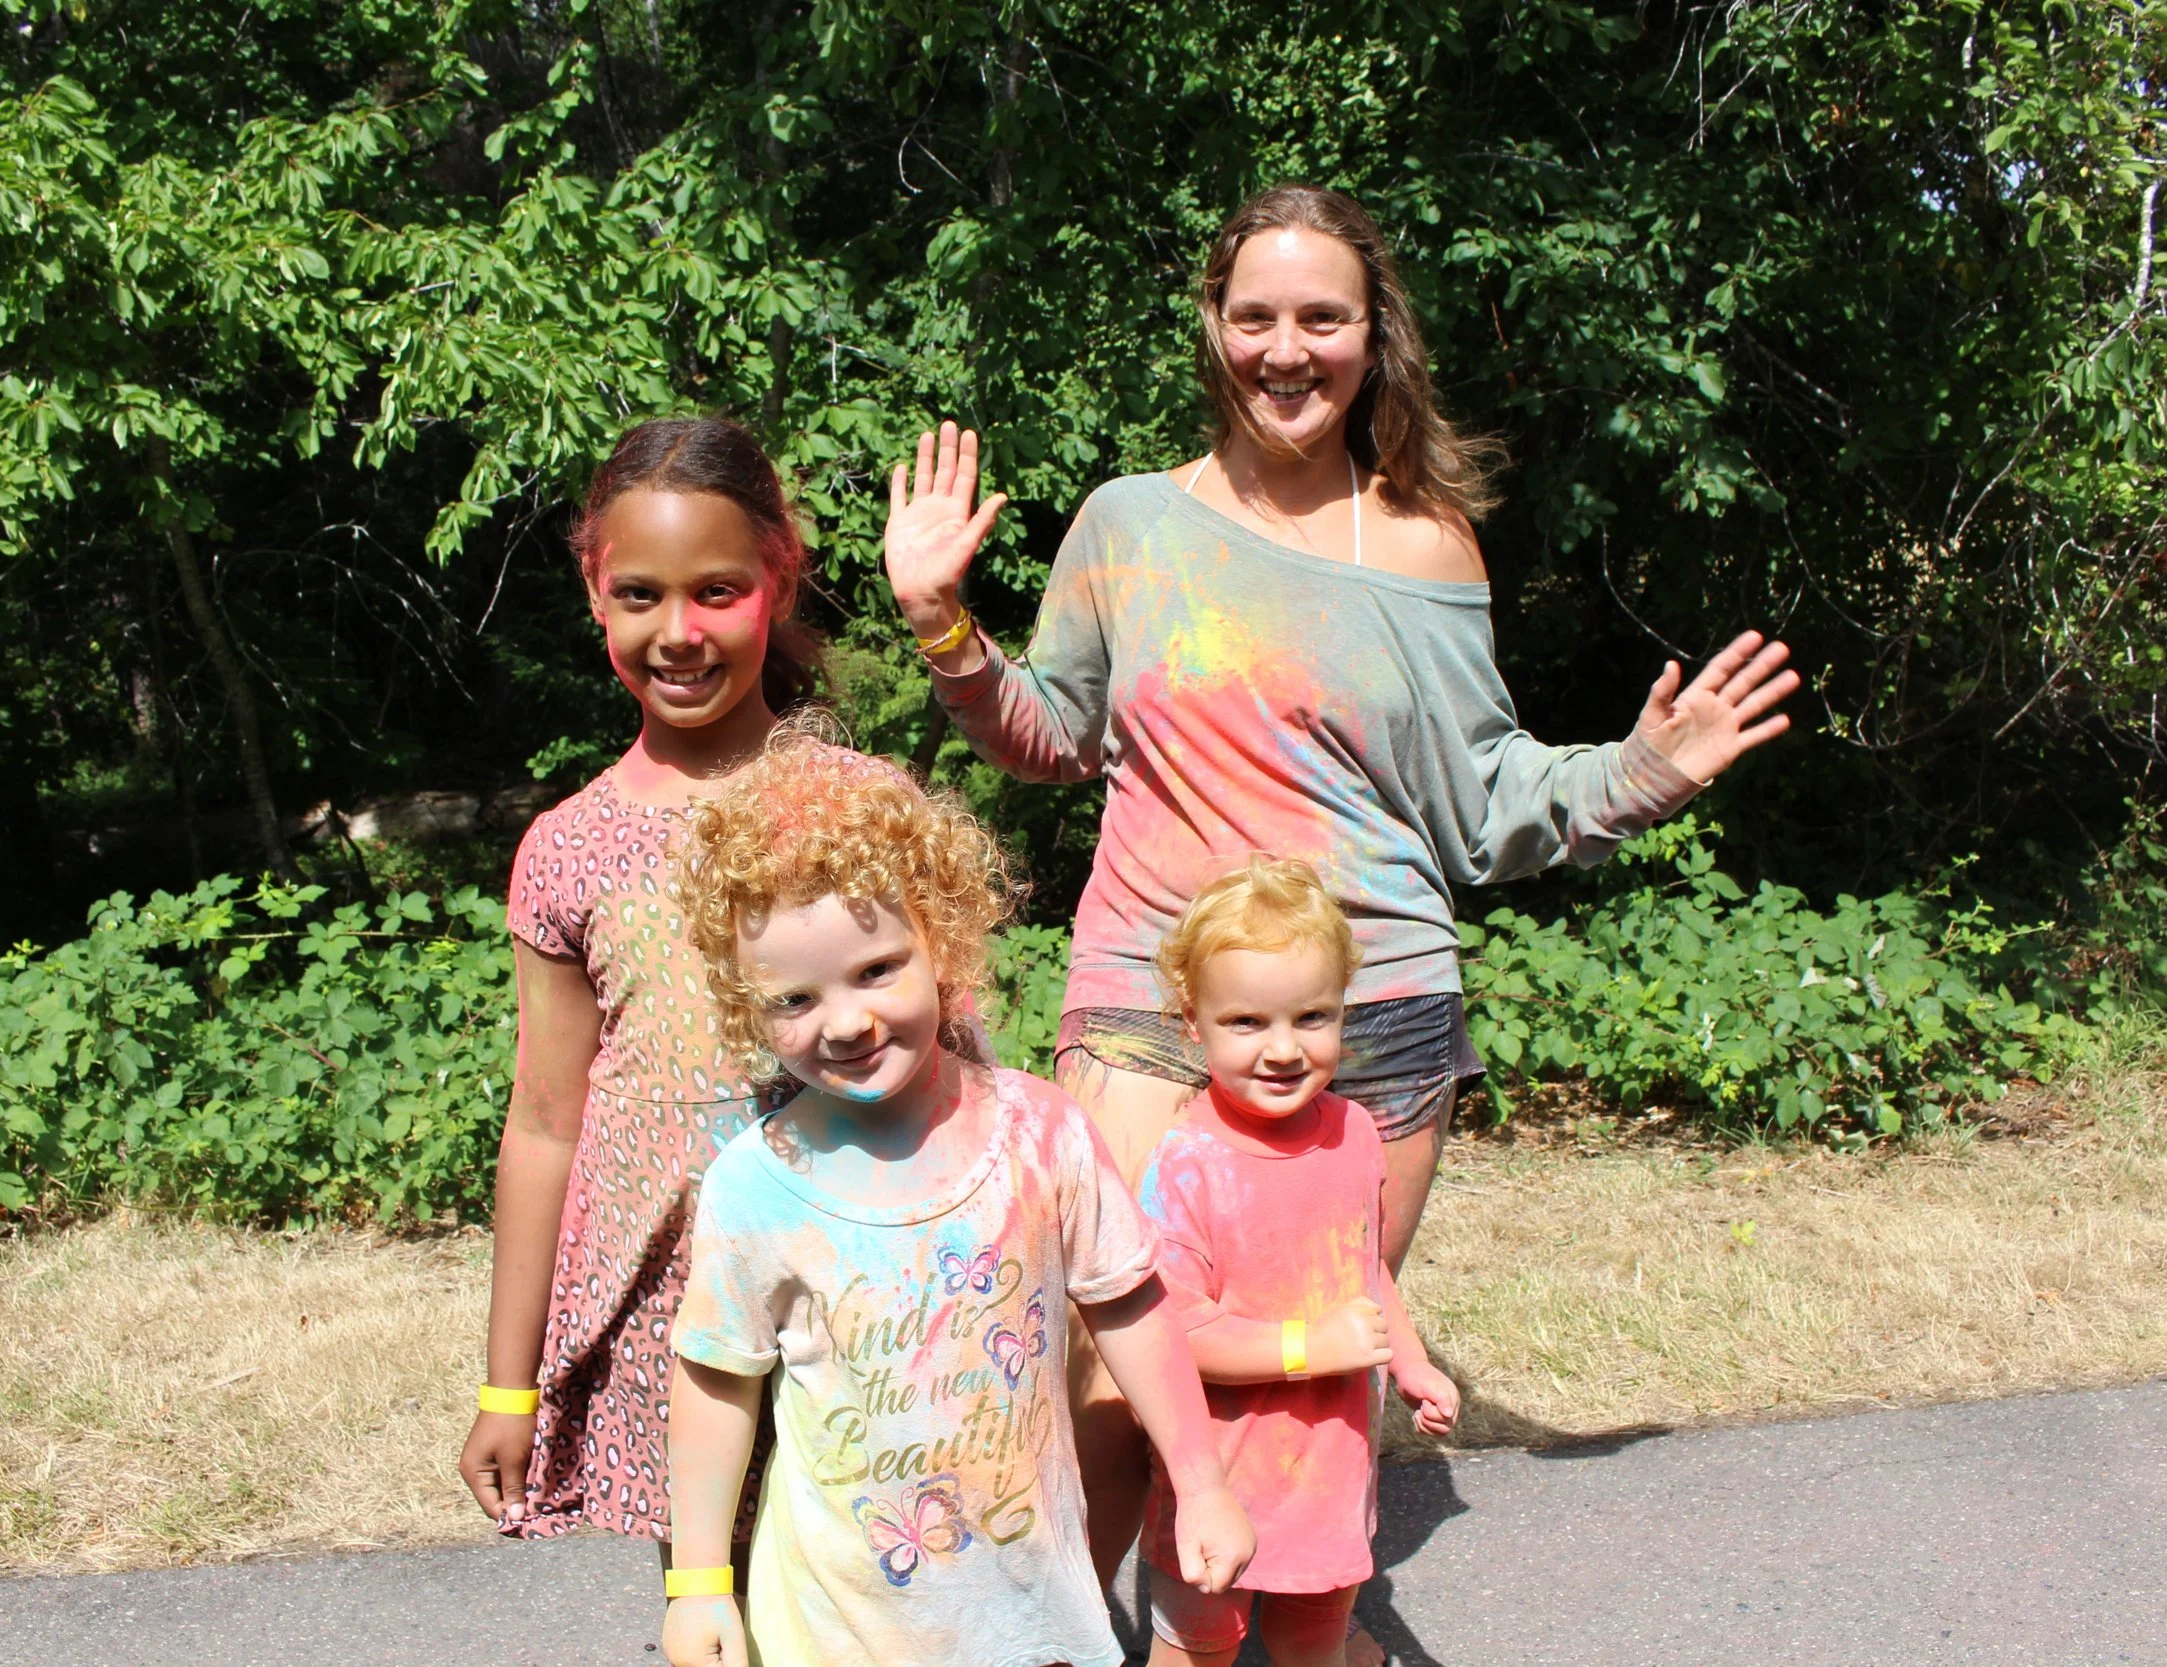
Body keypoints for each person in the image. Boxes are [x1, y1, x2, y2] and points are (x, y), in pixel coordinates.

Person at [878, 182, 1801, 1636]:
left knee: (1311, 1367)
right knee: (1106, 1376)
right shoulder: (1129, 522)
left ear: (1376, 340)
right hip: (1150, 990)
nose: (1286, 347)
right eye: (1256, 315)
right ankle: (1070, 1635)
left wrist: (1640, 773)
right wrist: (942, 622)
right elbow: (1051, 732)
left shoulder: (1426, 543)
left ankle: (1292, 1624)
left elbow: (1485, 794)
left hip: (1371, 1009)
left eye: (1324, 316)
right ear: (1212, 326)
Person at [657, 730, 1255, 1667]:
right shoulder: (755, 1187)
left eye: (877, 969)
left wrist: (1202, 1477)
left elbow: (1130, 1305)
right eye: (793, 1001)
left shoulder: (1042, 1133)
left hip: (1025, 1605)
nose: (846, 1021)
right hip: (839, 1624)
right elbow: (717, 1379)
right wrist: (698, 1583)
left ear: (940, 938)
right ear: (746, 1002)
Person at [456, 416, 827, 1550]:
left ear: (779, 577)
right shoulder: (567, 848)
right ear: (594, 592)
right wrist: (505, 1385)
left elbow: (957, 1079)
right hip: (667, 1315)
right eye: (641, 595)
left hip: (846, 1301)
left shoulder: (857, 808)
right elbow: (545, 1120)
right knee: (704, 1597)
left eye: (718, 591)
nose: (680, 631)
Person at [1136, 857, 1460, 1667]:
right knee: (1200, 1641)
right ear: (1191, 1024)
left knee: (1312, 1633)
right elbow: (1174, 1329)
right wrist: (1304, 1347)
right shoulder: (1188, 1163)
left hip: (1328, 1461)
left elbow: (1365, 1268)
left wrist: (1413, 1364)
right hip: (1221, 1465)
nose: (1284, 1048)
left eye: (1312, 1017)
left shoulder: (1352, 1133)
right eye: (1247, 1022)